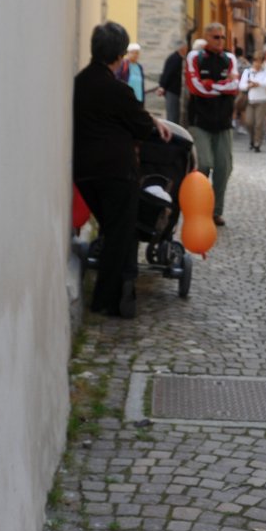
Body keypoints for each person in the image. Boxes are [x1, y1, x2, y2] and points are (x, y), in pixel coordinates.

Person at [73, 21, 172, 318]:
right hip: (116, 171)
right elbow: (140, 126)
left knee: (113, 230)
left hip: (84, 171)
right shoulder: (117, 89)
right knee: (120, 233)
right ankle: (108, 300)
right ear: (118, 56)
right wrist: (152, 121)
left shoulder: (80, 82)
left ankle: (116, 296)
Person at [184, 22, 239, 227]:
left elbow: (235, 86)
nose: (220, 41)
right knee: (204, 164)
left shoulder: (229, 59)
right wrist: (221, 87)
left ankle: (216, 211)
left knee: (224, 168)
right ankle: (199, 208)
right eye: (216, 37)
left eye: (222, 37)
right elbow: (196, 87)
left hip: (224, 122)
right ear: (206, 38)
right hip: (200, 121)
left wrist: (212, 86)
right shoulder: (195, 57)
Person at [240, 52, 266, 153]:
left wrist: (258, 84)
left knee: (259, 123)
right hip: (250, 100)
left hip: (262, 100)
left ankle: (257, 143)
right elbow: (241, 85)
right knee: (249, 122)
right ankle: (252, 139)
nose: (257, 64)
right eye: (255, 61)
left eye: (259, 61)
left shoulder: (265, 72)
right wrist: (249, 86)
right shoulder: (247, 72)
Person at [156, 37, 188, 124]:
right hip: (171, 91)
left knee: (175, 115)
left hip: (175, 91)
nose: (186, 49)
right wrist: (162, 86)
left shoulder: (179, 58)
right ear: (182, 48)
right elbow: (167, 74)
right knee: (172, 116)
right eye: (185, 47)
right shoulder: (175, 59)